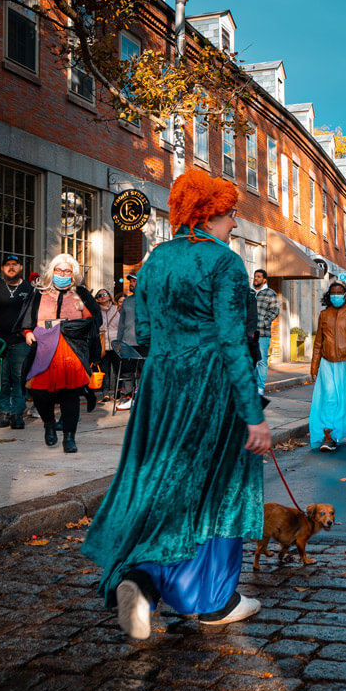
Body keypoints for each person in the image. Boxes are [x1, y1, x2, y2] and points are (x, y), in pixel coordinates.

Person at [82, 168, 270, 639]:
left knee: (164, 482)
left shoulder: (156, 260)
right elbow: (232, 340)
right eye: (230, 215)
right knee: (221, 488)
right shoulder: (223, 263)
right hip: (211, 386)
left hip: (161, 387)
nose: (234, 224)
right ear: (209, 214)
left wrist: (172, 350)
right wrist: (253, 414)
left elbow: (140, 332)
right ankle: (216, 600)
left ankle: (141, 581)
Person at [18, 254, 102, 453]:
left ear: (73, 273)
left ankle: (70, 438)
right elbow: (27, 318)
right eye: (59, 270)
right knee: (39, 392)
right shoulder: (39, 292)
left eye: (67, 271)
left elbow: (93, 321)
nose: (62, 274)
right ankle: (49, 424)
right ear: (52, 271)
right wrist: (28, 332)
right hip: (44, 347)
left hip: (72, 349)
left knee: (70, 395)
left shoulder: (81, 293)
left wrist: (72, 326)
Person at [309, 282, 346, 451]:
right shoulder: (324, 314)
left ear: (345, 295)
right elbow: (318, 342)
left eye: (339, 292)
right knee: (329, 397)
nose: (336, 295)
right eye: (332, 293)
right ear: (329, 296)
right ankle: (329, 435)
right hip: (328, 363)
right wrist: (314, 365)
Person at [0, 255, 34, 429]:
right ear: (2, 269)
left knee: (19, 378)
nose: (11, 267)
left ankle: (17, 413)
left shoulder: (29, 288)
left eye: (14, 265)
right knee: (0, 378)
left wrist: (30, 333)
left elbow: (35, 314)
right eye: (7, 265)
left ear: (20, 268)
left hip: (20, 341)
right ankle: (4, 412)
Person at [113, 279, 144, 411]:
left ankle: (143, 398)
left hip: (144, 342)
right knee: (127, 372)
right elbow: (121, 324)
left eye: (134, 281)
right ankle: (128, 396)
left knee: (144, 371)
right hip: (128, 342)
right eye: (131, 282)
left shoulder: (151, 299)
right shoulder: (126, 301)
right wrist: (119, 342)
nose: (131, 284)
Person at [252, 268, 280, 396]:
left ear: (264, 280)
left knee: (261, 361)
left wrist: (264, 322)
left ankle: (260, 388)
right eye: (254, 276)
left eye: (258, 277)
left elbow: (274, 310)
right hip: (247, 333)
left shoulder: (270, 293)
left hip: (262, 333)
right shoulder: (248, 292)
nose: (255, 278)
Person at [95, 288, 120, 400]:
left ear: (109, 296)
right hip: (103, 344)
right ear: (97, 299)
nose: (102, 296)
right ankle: (105, 393)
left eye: (104, 294)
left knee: (117, 368)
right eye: (99, 295)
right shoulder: (96, 311)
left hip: (116, 343)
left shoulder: (117, 309)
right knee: (104, 370)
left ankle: (117, 392)